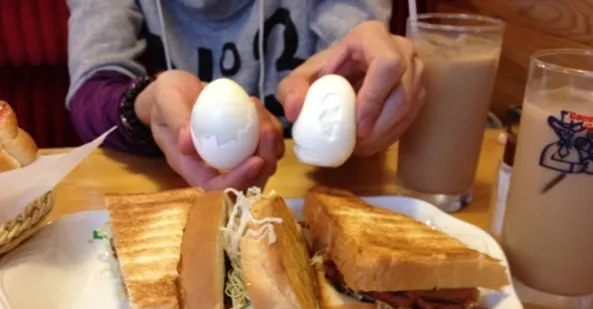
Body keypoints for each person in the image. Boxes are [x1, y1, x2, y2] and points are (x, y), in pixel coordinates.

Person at [66, 0, 425, 191]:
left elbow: (351, 57)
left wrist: (370, 98)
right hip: (166, 191)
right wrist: (147, 103)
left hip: (308, 188)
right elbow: (91, 93)